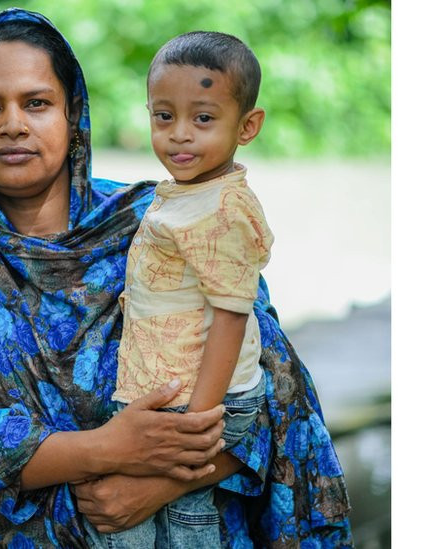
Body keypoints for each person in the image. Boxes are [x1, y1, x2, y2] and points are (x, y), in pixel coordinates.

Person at [0, 8, 352, 548]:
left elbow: (273, 389)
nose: (12, 124)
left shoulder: (163, 218)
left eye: (37, 103)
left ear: (73, 114)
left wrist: (159, 484)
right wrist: (107, 449)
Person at [91, 31, 273, 548]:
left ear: (248, 126)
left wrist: (197, 424)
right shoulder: (190, 194)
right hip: (186, 394)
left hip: (201, 404)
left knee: (123, 515)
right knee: (185, 512)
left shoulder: (221, 211)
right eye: (164, 116)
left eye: (204, 118)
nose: (180, 135)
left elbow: (233, 315)